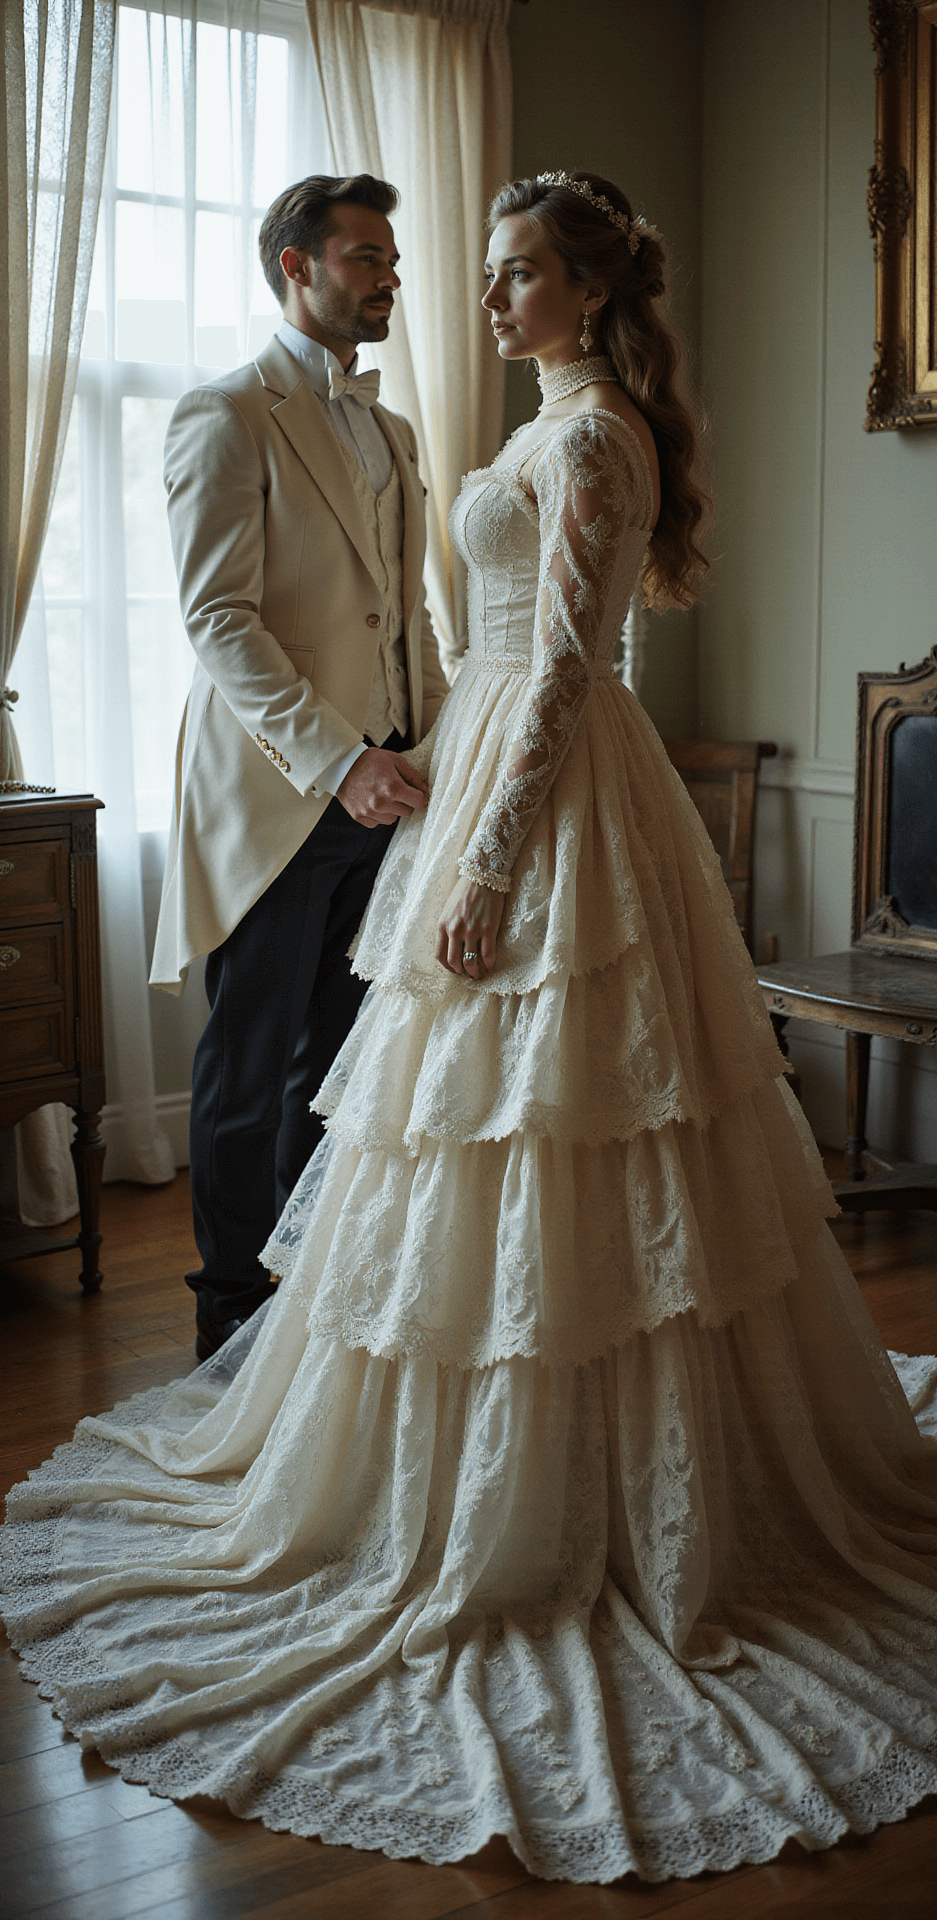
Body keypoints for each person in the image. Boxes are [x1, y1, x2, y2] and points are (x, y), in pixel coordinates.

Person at [3, 172, 937, 1887]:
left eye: (506, 274)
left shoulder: (593, 434)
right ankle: (405, 1458)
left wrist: (479, 860)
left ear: (577, 288)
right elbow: (258, 617)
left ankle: (584, 1484)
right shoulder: (498, 416)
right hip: (432, 777)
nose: (471, 296)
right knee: (422, 1127)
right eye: (451, 271)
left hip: (528, 799)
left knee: (565, 1123)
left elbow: (560, 664)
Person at [149, 173, 447, 1359]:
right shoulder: (225, 412)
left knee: (337, 1062)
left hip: (394, 784)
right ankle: (230, 1314)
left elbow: (408, 611)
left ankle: (308, 1297)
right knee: (247, 1061)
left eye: (389, 261)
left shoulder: (395, 429)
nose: (387, 279)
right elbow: (220, 620)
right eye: (365, 258)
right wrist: (339, 765)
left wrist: (429, 745)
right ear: (296, 264)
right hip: (284, 791)